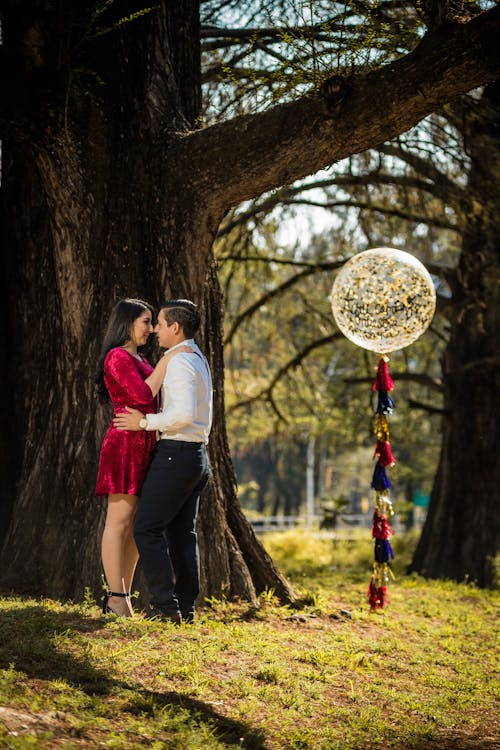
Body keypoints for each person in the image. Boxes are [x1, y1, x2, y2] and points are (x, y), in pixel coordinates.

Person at [113, 299, 212, 624]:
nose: (155, 329)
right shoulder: (194, 357)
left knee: (146, 529)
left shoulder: (181, 362)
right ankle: (184, 608)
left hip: (176, 455)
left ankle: (166, 609)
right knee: (183, 534)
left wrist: (144, 423)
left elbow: (182, 414)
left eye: (160, 323)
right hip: (196, 457)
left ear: (175, 327)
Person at [95, 298, 190, 617]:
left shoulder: (142, 359)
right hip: (124, 445)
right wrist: (171, 357)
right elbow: (141, 396)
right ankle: (116, 597)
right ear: (127, 323)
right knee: (118, 522)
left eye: (153, 322)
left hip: (148, 445)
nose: (151, 329)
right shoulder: (118, 356)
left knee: (138, 525)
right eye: (145, 322)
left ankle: (123, 596)